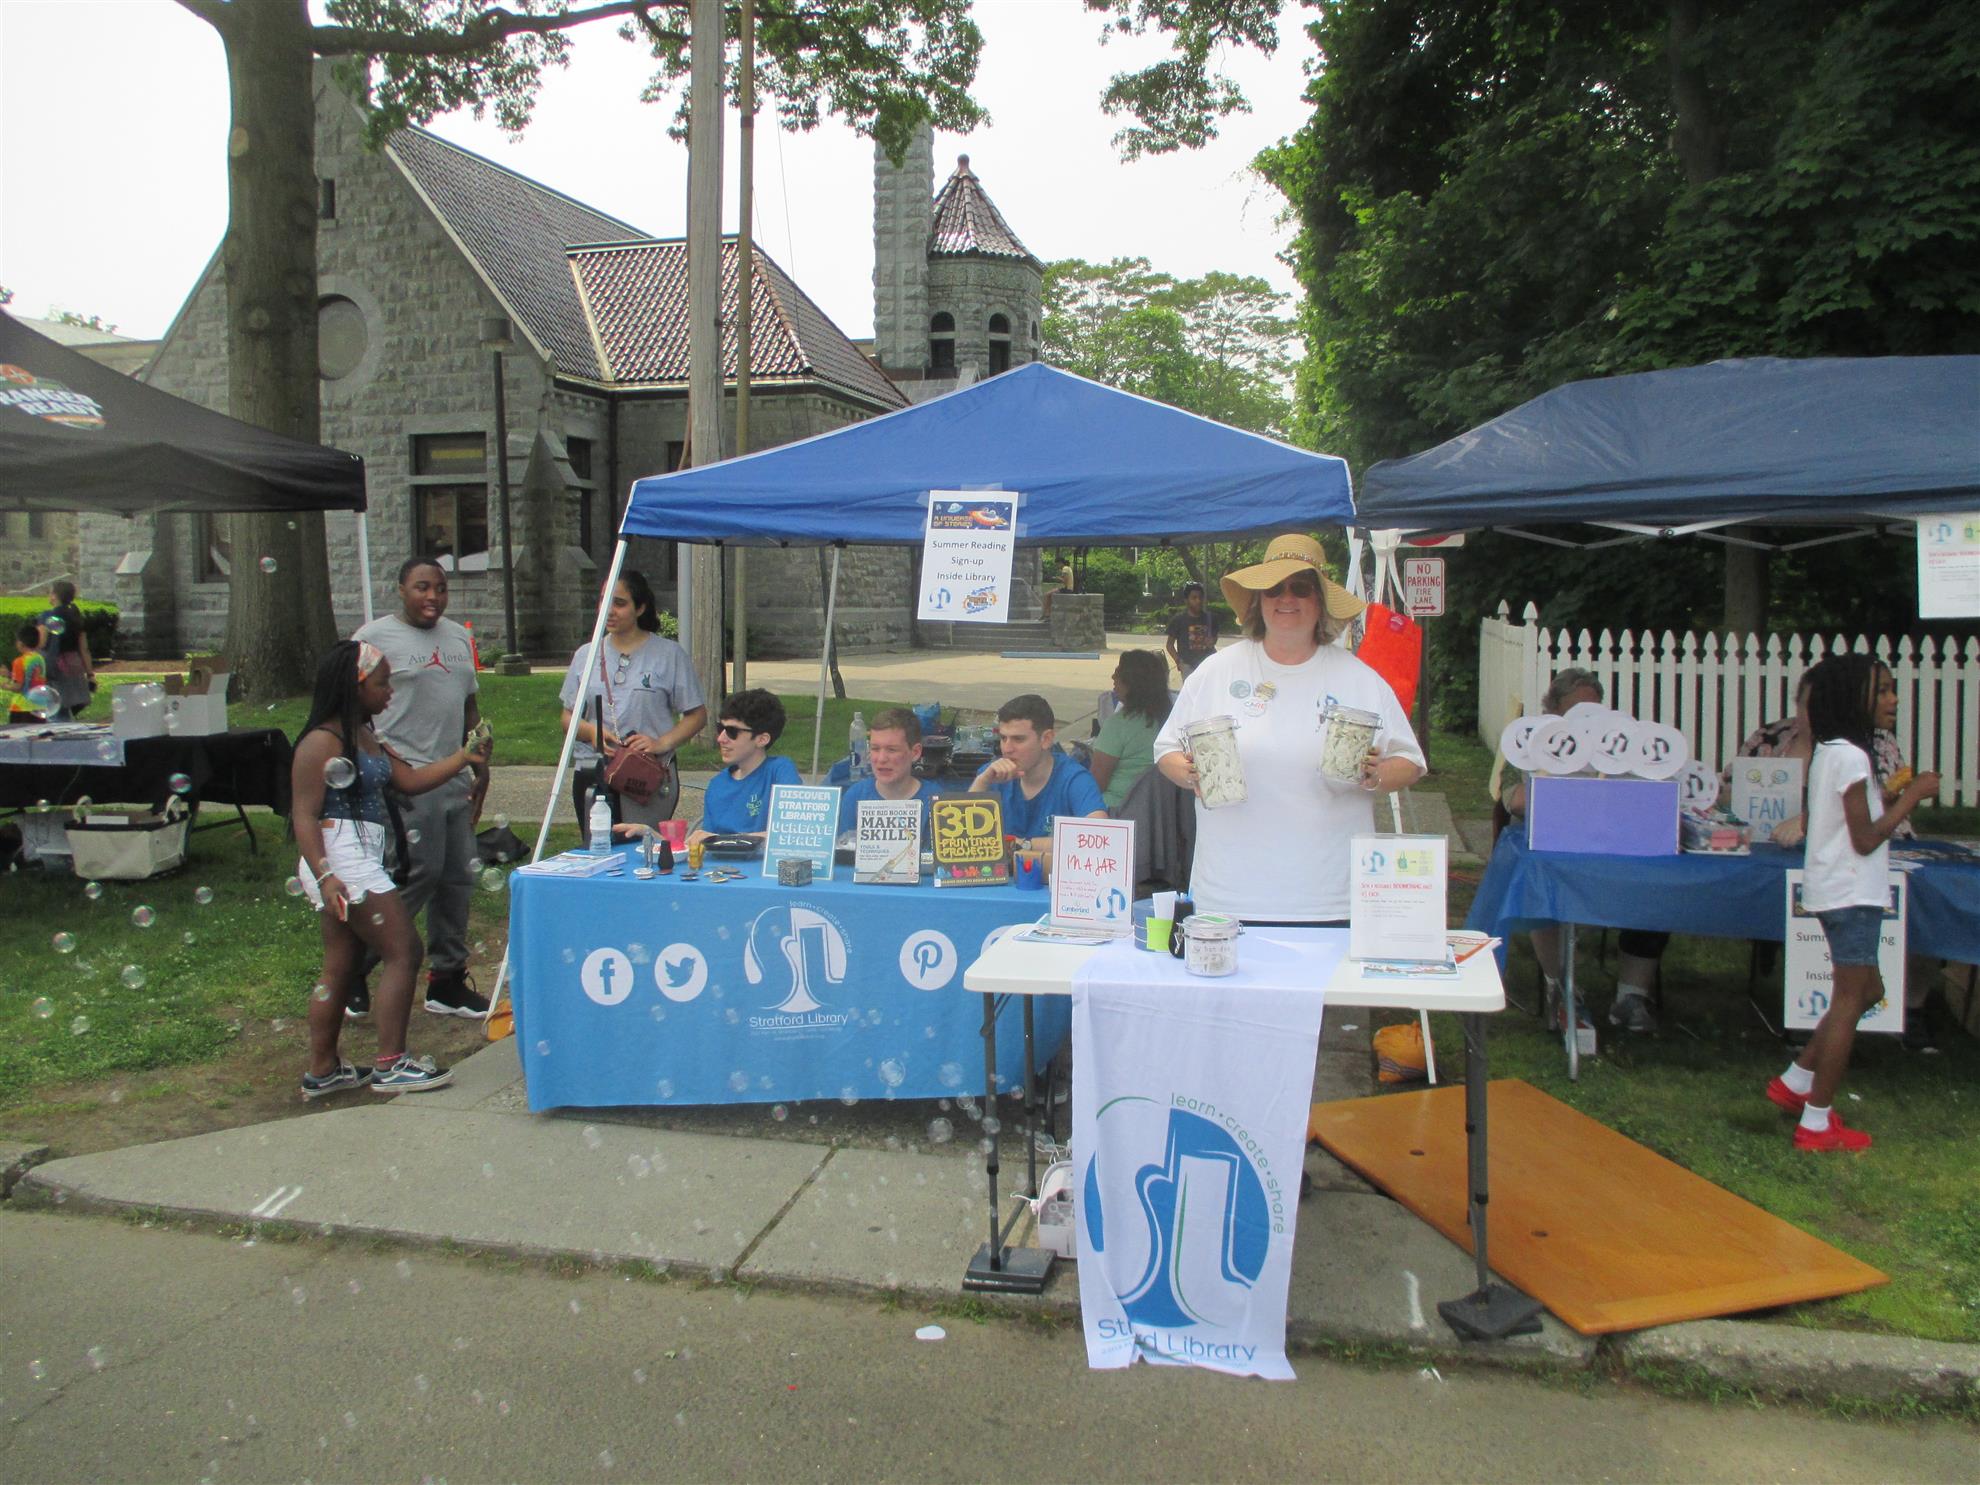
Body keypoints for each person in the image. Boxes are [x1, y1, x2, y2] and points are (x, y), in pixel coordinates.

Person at [1154, 533, 1424, 923]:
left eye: (1300, 588)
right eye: (1273, 589)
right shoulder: (1217, 671)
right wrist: (1187, 770)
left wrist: (1375, 775)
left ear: (1321, 602)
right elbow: (1166, 750)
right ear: (1257, 601)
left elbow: (1410, 761)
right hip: (1229, 895)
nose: (1286, 599)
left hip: (1330, 898)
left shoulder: (1359, 678)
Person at [290, 640, 494, 1098]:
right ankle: (391, 1063)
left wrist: (465, 758)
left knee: (340, 966)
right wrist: (325, 875)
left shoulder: (365, 734)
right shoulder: (322, 741)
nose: (390, 692)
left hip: (356, 854)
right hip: (339, 854)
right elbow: (303, 815)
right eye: (382, 682)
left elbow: (409, 780)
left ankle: (323, 1070)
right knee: (404, 949)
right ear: (355, 685)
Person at [1765, 654, 1938, 1152]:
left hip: (1833, 888)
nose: (1893, 700)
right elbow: (1865, 838)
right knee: (1849, 1001)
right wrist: (1914, 797)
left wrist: (1891, 791)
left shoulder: (1834, 751)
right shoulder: (1853, 756)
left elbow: (1849, 816)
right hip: (1851, 891)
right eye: (1882, 690)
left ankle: (1797, 1081)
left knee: (1869, 990)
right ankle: (1816, 1123)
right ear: (1855, 696)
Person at [350, 558, 490, 1019]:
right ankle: (355, 967)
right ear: (401, 589)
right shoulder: (373, 638)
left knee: (457, 877)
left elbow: (468, 703)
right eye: (422, 587)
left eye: (441, 588)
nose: (432, 597)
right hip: (406, 777)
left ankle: (446, 981)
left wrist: (480, 759)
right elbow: (354, 707)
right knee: (416, 876)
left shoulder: (458, 637)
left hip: (453, 772)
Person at [1497, 667, 1668, 1033]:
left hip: (1614, 859)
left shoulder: (1620, 751)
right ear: (1554, 710)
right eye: (1576, 711)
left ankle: (1631, 996)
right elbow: (1515, 799)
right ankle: (1560, 987)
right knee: (1543, 896)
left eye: (1593, 710)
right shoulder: (1538, 746)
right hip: (1555, 860)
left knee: (1655, 891)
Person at [558, 569, 707, 834]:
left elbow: (697, 715)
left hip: (645, 774)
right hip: (594, 770)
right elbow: (567, 718)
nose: (609, 611)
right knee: (598, 850)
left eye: (619, 603)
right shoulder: (586, 655)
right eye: (604, 601)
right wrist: (591, 732)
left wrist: (661, 743)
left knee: (642, 850)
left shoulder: (668, 654)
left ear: (640, 608)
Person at [968, 693, 1106, 851]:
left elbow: (1100, 835)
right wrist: (981, 782)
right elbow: (958, 841)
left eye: (1018, 739)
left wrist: (1024, 845)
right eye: (1003, 738)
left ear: (1046, 739)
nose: (1007, 748)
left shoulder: (1074, 778)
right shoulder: (990, 774)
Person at [692, 689, 802, 842]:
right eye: (720, 728)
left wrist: (719, 840)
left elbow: (793, 834)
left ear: (762, 739)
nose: (721, 738)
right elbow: (707, 847)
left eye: (732, 731)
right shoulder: (717, 785)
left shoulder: (780, 771)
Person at [1090, 649, 1170, 812]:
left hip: (1116, 811)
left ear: (1132, 682)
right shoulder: (1170, 719)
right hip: (1160, 812)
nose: (1113, 677)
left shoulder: (1119, 725)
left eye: (1118, 672)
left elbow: (1096, 784)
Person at [836, 706, 935, 836]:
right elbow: (845, 853)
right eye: (875, 749)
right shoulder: (855, 797)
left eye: (892, 750)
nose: (881, 759)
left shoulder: (935, 802)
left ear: (915, 752)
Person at [36, 580, 94, 719]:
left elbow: (41, 643)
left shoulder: (47, 616)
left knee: (55, 709)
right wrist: (90, 674)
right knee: (68, 707)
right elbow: (84, 649)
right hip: (74, 664)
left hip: (55, 665)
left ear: (55, 596)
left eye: (50, 593)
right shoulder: (76, 617)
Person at [1163, 582, 1220, 678]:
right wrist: (1178, 661)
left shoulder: (1211, 618)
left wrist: (1212, 641)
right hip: (1188, 667)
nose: (1198, 601)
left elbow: (1214, 637)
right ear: (1186, 600)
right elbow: (1169, 645)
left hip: (1208, 666)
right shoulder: (1178, 620)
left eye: (1200, 597)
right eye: (1194, 598)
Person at [7, 623, 51, 724]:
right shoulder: (40, 659)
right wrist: (10, 674)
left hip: (22, 708)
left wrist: (4, 685)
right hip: (40, 706)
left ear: (21, 643)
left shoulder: (19, 661)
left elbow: (18, 687)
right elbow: (30, 677)